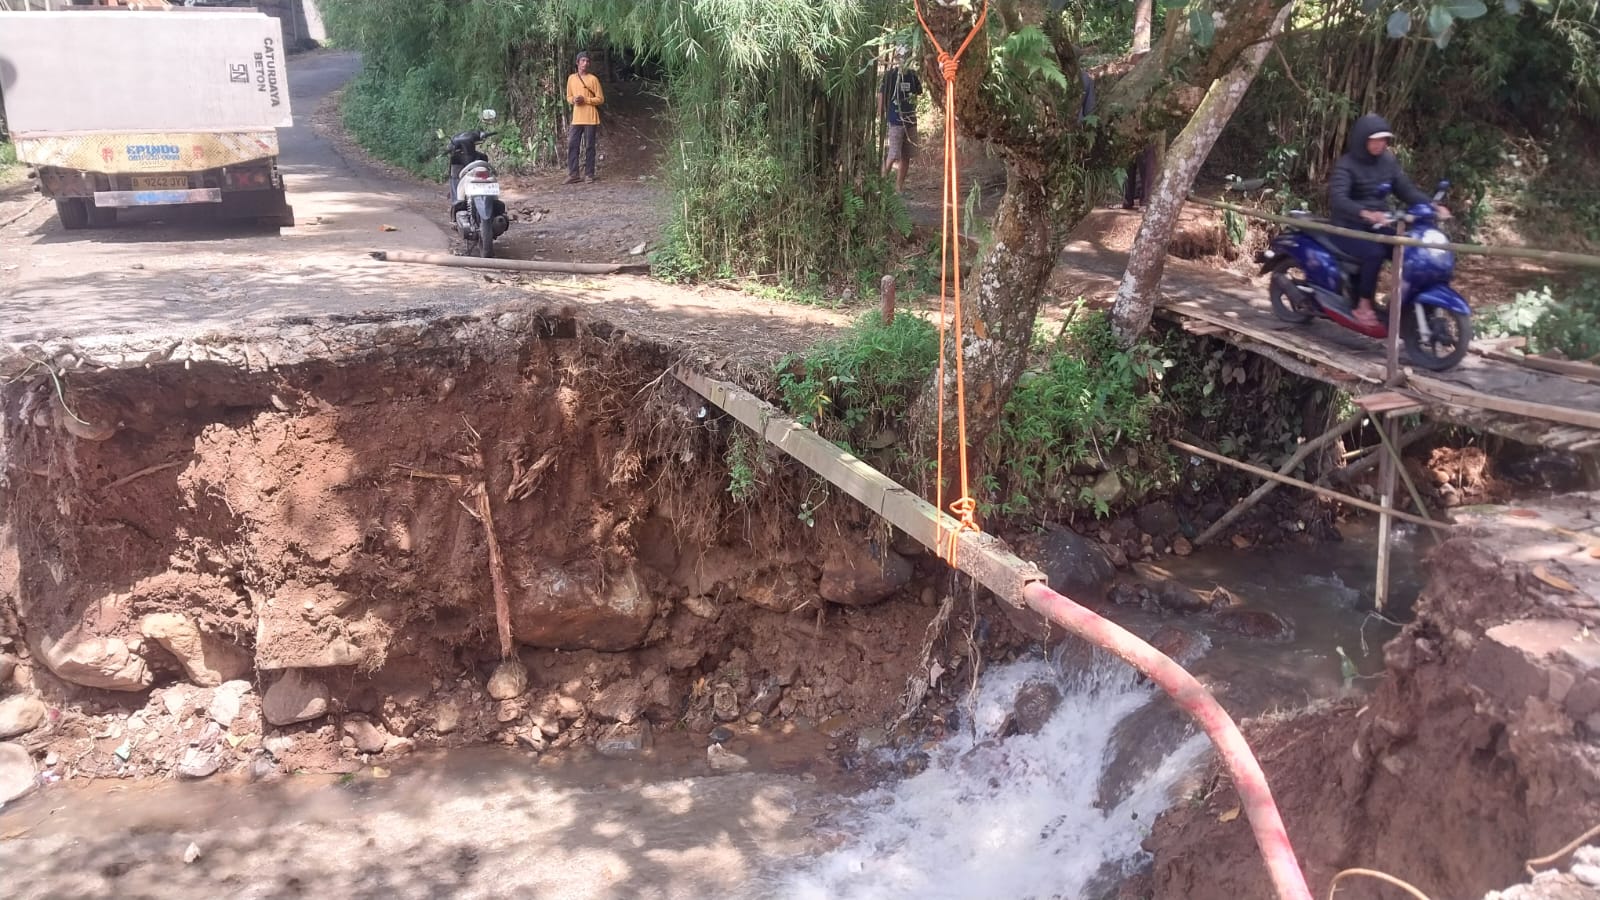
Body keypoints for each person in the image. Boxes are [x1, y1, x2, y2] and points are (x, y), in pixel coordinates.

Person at [1327, 113, 1449, 326]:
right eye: (1375, 139)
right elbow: (1338, 199)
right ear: (1362, 139)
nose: (1380, 144)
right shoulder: (1346, 165)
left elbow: (1405, 189)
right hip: (1348, 226)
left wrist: (1431, 205)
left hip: (1378, 224)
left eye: (1383, 140)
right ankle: (1363, 305)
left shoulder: (1388, 161)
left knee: (1406, 250)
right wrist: (1365, 213)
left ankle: (1405, 304)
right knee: (1374, 253)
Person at [878, 47, 922, 192]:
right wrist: (881, 112)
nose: (904, 58)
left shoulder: (912, 75)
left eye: (907, 55)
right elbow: (882, 94)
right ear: (896, 58)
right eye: (902, 56)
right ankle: (882, 186)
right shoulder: (890, 75)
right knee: (893, 154)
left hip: (910, 120)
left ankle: (898, 188)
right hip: (895, 119)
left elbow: (918, 92)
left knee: (906, 155)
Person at [565, 51, 605, 184]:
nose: (585, 63)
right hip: (577, 118)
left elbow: (600, 99)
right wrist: (574, 100)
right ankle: (574, 174)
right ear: (577, 63)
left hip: (590, 118)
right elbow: (569, 97)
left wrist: (585, 100)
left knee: (589, 146)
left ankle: (589, 174)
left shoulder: (593, 79)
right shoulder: (571, 78)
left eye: (587, 61)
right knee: (572, 145)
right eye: (582, 61)